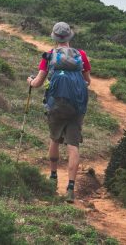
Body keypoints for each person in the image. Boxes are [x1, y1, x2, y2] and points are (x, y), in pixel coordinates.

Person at [27, 22, 91, 203]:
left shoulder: (49, 56)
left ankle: (53, 177)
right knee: (73, 146)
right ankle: (70, 188)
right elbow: (88, 81)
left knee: (54, 139)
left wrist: (30, 81)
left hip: (56, 106)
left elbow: (38, 83)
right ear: (69, 36)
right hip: (77, 107)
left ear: (54, 37)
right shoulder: (81, 55)